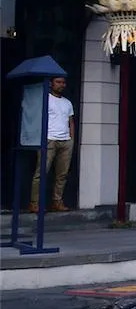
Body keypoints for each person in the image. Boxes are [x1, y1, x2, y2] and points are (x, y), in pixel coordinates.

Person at [29, 75, 74, 213]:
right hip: (48, 139)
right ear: (51, 83)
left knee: (62, 174)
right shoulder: (45, 99)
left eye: (63, 82)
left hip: (65, 140)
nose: (61, 85)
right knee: (41, 172)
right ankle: (34, 203)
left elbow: (71, 121)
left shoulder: (67, 102)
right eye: (58, 82)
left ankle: (57, 201)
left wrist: (71, 139)